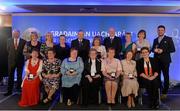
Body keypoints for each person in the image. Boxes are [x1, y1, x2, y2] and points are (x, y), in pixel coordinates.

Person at [152, 25, 175, 99]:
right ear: (157, 31)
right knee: (157, 76)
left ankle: (165, 92)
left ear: (164, 31)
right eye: (159, 30)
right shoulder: (155, 39)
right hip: (156, 61)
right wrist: (154, 50)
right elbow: (152, 49)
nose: (160, 31)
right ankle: (158, 91)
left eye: (162, 30)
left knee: (166, 76)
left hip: (165, 61)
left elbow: (173, 49)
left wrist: (163, 50)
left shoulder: (168, 39)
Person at [4, 30, 26, 96]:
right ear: (12, 34)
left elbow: (24, 51)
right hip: (11, 61)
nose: (15, 34)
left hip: (20, 61)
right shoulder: (8, 40)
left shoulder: (23, 41)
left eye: (17, 33)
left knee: (19, 76)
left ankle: (19, 89)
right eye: (14, 33)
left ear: (19, 34)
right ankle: (9, 91)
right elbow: (8, 50)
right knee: (10, 76)